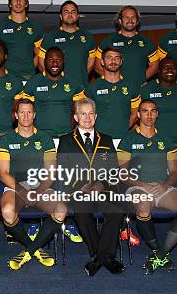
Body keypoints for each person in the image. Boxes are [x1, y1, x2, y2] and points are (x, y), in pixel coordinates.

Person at [117, 100, 177, 274]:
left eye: (153, 111)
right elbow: (123, 174)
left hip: (163, 187)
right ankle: (157, 250)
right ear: (138, 115)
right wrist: (143, 185)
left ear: (157, 114)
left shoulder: (166, 139)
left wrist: (164, 185)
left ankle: (160, 254)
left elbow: (175, 171)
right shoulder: (128, 139)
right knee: (143, 208)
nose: (149, 115)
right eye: (145, 111)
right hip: (137, 187)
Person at [57, 97, 125, 276]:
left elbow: (113, 169)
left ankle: (98, 259)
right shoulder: (66, 141)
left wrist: (101, 184)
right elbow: (63, 169)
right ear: (76, 117)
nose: (87, 118)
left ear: (95, 117)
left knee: (116, 209)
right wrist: (82, 186)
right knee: (82, 213)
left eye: (91, 114)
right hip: (79, 190)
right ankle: (105, 257)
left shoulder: (106, 140)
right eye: (83, 114)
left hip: (104, 188)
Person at [0, 99, 64, 270]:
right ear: (16, 115)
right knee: (7, 212)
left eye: (29, 112)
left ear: (34, 115)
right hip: (15, 187)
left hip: (40, 186)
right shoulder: (6, 139)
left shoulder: (46, 139)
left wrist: (38, 191)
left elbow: (51, 173)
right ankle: (36, 249)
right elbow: (4, 173)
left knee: (61, 210)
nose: (26, 116)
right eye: (22, 112)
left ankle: (28, 251)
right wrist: (21, 190)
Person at [21, 47, 85, 137]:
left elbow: (80, 111)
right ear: (44, 62)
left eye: (58, 60)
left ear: (63, 62)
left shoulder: (74, 83)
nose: (55, 63)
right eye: (50, 60)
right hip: (40, 136)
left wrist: (68, 128)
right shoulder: (33, 83)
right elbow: (26, 112)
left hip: (66, 135)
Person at [85, 48, 140, 146]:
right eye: (109, 58)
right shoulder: (92, 87)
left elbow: (135, 114)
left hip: (124, 140)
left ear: (121, 62)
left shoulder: (131, 87)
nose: (113, 61)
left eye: (117, 58)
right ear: (102, 62)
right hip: (100, 140)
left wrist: (122, 130)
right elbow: (85, 115)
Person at [96, 5, 159, 88]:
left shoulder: (147, 42)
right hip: (115, 89)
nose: (130, 20)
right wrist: (113, 81)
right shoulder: (108, 41)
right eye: (126, 17)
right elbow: (98, 67)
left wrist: (141, 79)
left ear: (137, 21)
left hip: (138, 89)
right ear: (120, 21)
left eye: (133, 17)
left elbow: (155, 65)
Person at [39, 0, 96, 86]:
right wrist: (53, 80)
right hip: (58, 87)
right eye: (66, 12)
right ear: (61, 16)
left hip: (81, 87)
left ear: (77, 16)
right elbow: (41, 63)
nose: (70, 14)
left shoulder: (88, 37)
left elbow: (91, 63)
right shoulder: (50, 37)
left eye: (73, 12)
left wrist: (80, 77)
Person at [0, 0, 43, 81]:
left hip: (28, 77)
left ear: (26, 3)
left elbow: (39, 54)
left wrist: (30, 67)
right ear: (10, 4)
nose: (18, 2)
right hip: (5, 78)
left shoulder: (36, 28)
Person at [140, 57, 177, 143]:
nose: (169, 70)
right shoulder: (146, 90)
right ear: (159, 70)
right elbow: (137, 114)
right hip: (152, 141)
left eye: (173, 67)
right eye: (165, 67)